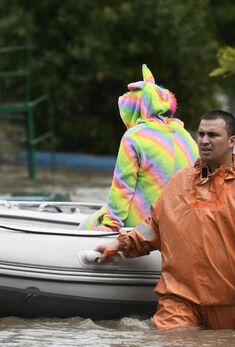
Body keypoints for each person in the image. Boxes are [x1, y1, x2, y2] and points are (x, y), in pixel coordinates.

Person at [95, 110, 235, 330]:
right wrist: (119, 243)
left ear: (232, 141)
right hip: (178, 296)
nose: (204, 141)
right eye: (201, 134)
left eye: (213, 135)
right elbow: (155, 225)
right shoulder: (180, 180)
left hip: (227, 300)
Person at [79, 64, 198, 231]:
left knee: (85, 225)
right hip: (183, 225)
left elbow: (122, 186)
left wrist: (111, 224)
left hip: (145, 226)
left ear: (135, 110)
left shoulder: (134, 137)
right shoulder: (185, 135)